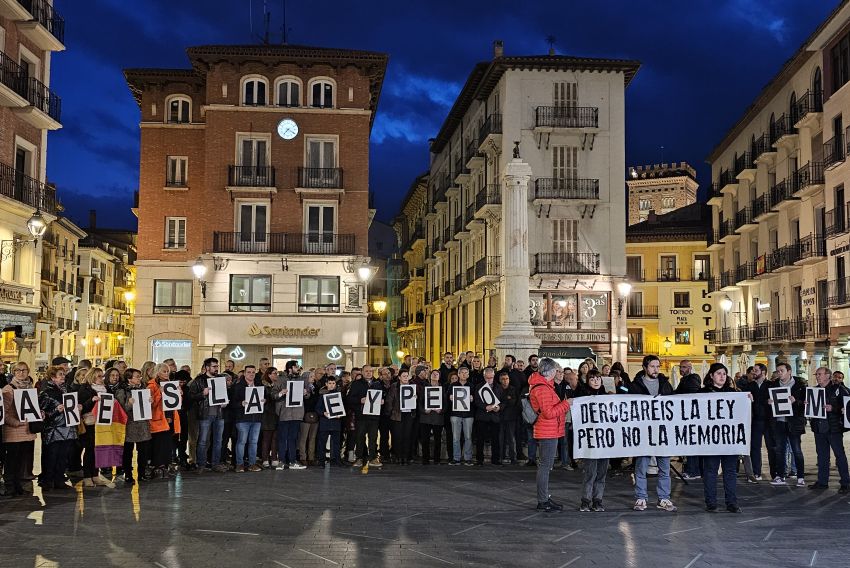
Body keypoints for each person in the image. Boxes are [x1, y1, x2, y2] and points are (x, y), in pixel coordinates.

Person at [629, 354, 677, 512]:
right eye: (652, 366)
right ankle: (641, 498)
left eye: (658, 366)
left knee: (664, 467)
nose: (656, 369)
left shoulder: (665, 384)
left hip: (663, 432)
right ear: (645, 367)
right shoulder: (635, 385)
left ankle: (664, 498)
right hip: (643, 432)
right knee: (641, 467)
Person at [699, 363, 742, 513]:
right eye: (718, 373)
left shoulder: (734, 392)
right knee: (710, 471)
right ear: (711, 376)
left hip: (729, 438)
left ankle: (732, 502)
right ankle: (711, 501)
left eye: (724, 373)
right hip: (711, 439)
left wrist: (747, 399)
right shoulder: (702, 393)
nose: (722, 376)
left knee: (730, 471)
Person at [529, 357, 570, 512]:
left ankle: (545, 497)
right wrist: (567, 404)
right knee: (545, 467)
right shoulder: (542, 389)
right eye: (556, 370)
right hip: (547, 431)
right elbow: (549, 413)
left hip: (549, 430)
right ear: (551, 371)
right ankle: (543, 500)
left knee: (546, 466)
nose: (558, 372)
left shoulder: (544, 386)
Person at [809, 366, 850, 493]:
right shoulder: (814, 391)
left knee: (839, 455)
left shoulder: (838, 389)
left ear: (828, 375)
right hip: (819, 428)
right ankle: (822, 482)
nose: (817, 376)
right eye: (817, 374)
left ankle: (846, 483)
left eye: (820, 374)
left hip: (834, 428)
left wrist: (834, 408)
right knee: (822, 456)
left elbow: (847, 406)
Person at [38, 366, 79, 492]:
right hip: (53, 430)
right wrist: (56, 410)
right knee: (51, 456)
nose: (63, 376)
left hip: (67, 428)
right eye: (60, 374)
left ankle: (59, 479)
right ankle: (47, 480)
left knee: (63, 456)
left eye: (64, 374)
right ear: (52, 377)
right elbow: (42, 414)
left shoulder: (67, 390)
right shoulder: (46, 393)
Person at [574, 372, 610, 512]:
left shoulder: (606, 396)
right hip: (590, 441)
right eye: (592, 379)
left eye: (598, 378)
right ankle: (585, 500)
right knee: (590, 473)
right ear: (587, 381)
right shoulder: (582, 397)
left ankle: (597, 500)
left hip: (605, 441)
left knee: (601, 474)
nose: (595, 381)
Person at [77, 367, 116, 488]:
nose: (102, 378)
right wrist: (92, 400)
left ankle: (95, 474)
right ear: (92, 376)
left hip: (103, 423)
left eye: (102, 376)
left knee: (99, 449)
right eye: (99, 376)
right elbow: (81, 406)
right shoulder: (85, 389)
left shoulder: (107, 389)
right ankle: (87, 476)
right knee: (89, 449)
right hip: (90, 423)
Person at [2, 362, 37, 497]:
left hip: (27, 432)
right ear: (14, 372)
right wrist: (15, 422)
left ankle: (18, 486)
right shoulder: (8, 389)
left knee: (22, 461)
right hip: (13, 432)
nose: (21, 373)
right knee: (12, 461)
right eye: (18, 370)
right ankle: (10, 487)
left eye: (24, 370)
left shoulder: (30, 387)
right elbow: (4, 412)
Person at [186, 358, 227, 473]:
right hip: (205, 414)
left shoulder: (220, 379)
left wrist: (225, 402)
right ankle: (201, 464)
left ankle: (215, 463)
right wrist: (202, 394)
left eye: (217, 366)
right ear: (207, 367)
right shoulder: (199, 380)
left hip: (219, 413)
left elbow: (224, 394)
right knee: (203, 440)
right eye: (214, 366)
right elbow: (190, 396)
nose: (216, 368)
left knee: (218, 440)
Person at [770, 362, 806, 487]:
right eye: (778, 371)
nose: (779, 373)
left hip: (794, 423)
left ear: (789, 371)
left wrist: (796, 401)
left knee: (796, 450)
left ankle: (800, 477)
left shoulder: (800, 385)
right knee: (780, 450)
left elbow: (805, 404)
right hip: (779, 422)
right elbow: (766, 400)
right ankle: (780, 475)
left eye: (782, 370)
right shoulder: (774, 385)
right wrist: (769, 401)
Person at [115, 368, 151, 485]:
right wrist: (129, 403)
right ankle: (128, 474)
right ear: (129, 378)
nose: (139, 378)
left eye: (140, 376)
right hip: (129, 424)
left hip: (142, 424)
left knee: (143, 451)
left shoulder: (143, 389)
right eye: (136, 376)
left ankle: (141, 473)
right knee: (128, 451)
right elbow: (121, 409)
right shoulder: (122, 391)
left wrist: (150, 401)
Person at [270, 365, 307, 471]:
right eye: (296, 366)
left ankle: (292, 461)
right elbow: (273, 394)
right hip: (284, 413)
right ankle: (281, 461)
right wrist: (281, 393)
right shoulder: (281, 379)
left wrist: (305, 393)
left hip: (297, 413)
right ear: (290, 368)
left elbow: (308, 395)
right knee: (282, 438)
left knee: (293, 438)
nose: (299, 368)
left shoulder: (301, 379)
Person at [148, 363, 181, 479]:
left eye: (168, 371)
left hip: (170, 418)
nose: (167, 374)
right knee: (158, 445)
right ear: (157, 372)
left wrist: (179, 394)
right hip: (158, 420)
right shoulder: (151, 385)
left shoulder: (171, 385)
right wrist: (159, 393)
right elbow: (150, 405)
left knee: (168, 444)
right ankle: (157, 467)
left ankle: (165, 466)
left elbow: (176, 403)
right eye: (164, 371)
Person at [745, 363, 776, 481]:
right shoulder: (750, 386)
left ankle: (775, 473)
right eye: (753, 370)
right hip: (755, 420)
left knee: (771, 447)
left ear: (763, 372)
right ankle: (756, 472)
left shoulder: (771, 385)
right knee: (754, 447)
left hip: (769, 421)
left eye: (756, 370)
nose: (753, 372)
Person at [349, 365, 382, 467]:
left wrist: (382, 401)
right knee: (360, 437)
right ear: (362, 372)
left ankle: (372, 458)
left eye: (370, 371)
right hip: (361, 416)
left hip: (374, 416)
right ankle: (359, 458)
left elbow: (382, 395)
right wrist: (359, 400)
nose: (369, 373)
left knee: (373, 437)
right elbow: (349, 399)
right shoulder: (356, 384)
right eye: (366, 371)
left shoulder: (377, 384)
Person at [232, 365, 263, 472]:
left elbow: (266, 398)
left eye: (253, 372)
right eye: (249, 372)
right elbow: (232, 403)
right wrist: (241, 403)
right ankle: (239, 464)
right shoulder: (238, 386)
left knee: (254, 442)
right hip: (242, 419)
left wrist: (264, 401)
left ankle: (252, 463)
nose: (251, 374)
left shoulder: (259, 385)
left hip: (256, 418)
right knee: (242, 441)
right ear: (244, 373)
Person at [675, 360, 703, 480]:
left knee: (691, 445)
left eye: (684, 367)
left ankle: (693, 471)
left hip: (691, 417)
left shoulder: (693, 378)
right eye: (681, 367)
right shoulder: (684, 380)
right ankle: (692, 470)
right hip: (687, 417)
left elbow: (690, 394)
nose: (681, 369)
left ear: (690, 368)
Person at [385, 369, 417, 465]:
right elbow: (389, 400)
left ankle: (406, 456)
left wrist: (415, 398)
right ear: (399, 377)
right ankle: (398, 456)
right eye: (404, 376)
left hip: (408, 414)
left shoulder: (412, 386)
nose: (406, 378)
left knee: (407, 436)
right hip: (397, 414)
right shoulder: (394, 386)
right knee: (397, 436)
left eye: (407, 376)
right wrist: (390, 412)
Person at [473, 367, 502, 466]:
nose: (489, 379)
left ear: (494, 376)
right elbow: (476, 401)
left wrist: (499, 408)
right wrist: (486, 407)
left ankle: (495, 459)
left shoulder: (499, 387)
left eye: (491, 377)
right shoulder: (478, 387)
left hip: (495, 417)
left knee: (496, 440)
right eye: (487, 377)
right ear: (484, 376)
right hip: (482, 417)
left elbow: (503, 401)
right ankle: (479, 460)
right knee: (480, 439)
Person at [316, 376, 344, 467]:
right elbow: (317, 408)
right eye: (330, 383)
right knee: (322, 442)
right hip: (325, 422)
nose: (331, 385)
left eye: (333, 383)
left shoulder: (339, 395)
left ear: (335, 384)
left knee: (336, 443)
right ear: (326, 384)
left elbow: (343, 407)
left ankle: (337, 459)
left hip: (336, 422)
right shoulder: (322, 396)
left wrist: (341, 413)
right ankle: (321, 460)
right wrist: (323, 413)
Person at [419, 369, 445, 465]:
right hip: (426, 417)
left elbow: (446, 404)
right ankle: (425, 459)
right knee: (425, 440)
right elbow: (420, 403)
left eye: (437, 374)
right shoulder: (424, 388)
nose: (435, 376)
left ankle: (437, 459)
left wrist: (441, 410)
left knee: (437, 439)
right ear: (430, 376)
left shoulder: (443, 388)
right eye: (433, 374)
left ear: (439, 376)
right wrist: (424, 410)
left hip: (438, 417)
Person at [449, 367, 474, 466]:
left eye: (466, 373)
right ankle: (456, 458)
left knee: (468, 437)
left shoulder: (472, 386)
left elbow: (476, 400)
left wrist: (473, 399)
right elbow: (446, 399)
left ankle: (468, 458)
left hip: (468, 415)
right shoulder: (452, 386)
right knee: (456, 437)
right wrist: (450, 398)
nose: (464, 374)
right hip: (455, 414)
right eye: (462, 373)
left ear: (468, 375)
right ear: (458, 374)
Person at [297, 370, 319, 465]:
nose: (313, 378)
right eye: (311, 376)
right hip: (304, 415)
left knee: (312, 437)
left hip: (315, 415)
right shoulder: (301, 389)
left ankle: (311, 457)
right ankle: (303, 457)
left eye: (313, 376)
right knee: (303, 438)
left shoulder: (316, 387)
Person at [259, 367, 279, 468]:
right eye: (274, 373)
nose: (276, 375)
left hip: (276, 414)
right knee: (267, 438)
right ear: (269, 375)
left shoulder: (277, 385)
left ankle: (274, 457)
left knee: (275, 438)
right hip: (267, 414)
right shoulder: (264, 386)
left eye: (277, 373)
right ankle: (265, 459)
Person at [498, 371, 519, 465]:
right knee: (500, 438)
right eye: (503, 379)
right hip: (500, 417)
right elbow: (498, 401)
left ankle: (513, 458)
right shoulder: (497, 389)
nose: (505, 381)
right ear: (500, 380)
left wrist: (504, 402)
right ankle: (500, 457)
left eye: (506, 379)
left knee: (511, 438)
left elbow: (513, 402)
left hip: (511, 417)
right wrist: (507, 399)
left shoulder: (513, 389)